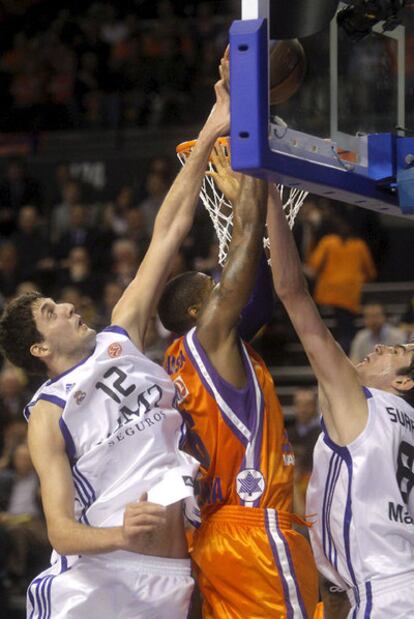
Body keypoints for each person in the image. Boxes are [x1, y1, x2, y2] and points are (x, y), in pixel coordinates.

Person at [0, 74, 230, 619]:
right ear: (38, 349)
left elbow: (168, 232)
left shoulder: (120, 335)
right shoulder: (48, 414)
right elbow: (59, 530)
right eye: (51, 313)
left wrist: (211, 128)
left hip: (170, 576)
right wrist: (119, 535)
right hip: (100, 580)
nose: (70, 308)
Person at [159, 153, 318, 617]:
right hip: (253, 530)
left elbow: (259, 299)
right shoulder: (210, 336)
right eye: (214, 290)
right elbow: (248, 246)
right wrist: (248, 181)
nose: (224, 290)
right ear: (197, 313)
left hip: (212, 536)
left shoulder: (178, 363)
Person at [266, 184, 414, 618]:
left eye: (396, 352)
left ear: (402, 383)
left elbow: (293, 292)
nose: (380, 349)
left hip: (384, 595)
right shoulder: (407, 423)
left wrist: (271, 191)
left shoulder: (360, 399)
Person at [305, 214, 377, 354]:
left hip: (328, 293)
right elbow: (370, 272)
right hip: (350, 293)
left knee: (326, 329)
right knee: (347, 331)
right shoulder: (359, 245)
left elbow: (314, 264)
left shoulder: (328, 242)